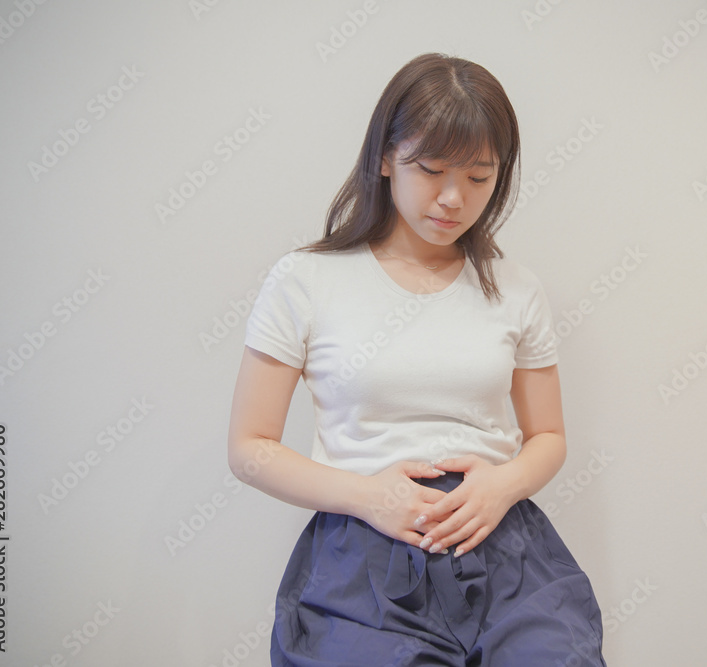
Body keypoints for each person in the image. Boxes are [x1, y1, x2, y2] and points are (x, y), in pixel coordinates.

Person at [228, 52, 607, 666]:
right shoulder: (306, 280)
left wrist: (503, 484)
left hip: (502, 545)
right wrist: (366, 497)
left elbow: (549, 436)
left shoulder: (517, 289)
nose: (454, 198)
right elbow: (250, 448)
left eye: (479, 177)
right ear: (385, 157)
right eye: (430, 169)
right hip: (363, 551)